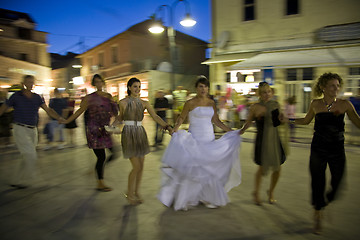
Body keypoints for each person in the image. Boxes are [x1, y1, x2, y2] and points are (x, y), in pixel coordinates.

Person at [290, 72, 360, 234]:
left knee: (337, 181)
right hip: (318, 148)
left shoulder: (345, 104)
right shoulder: (315, 104)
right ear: (323, 87)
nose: (336, 89)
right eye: (332, 86)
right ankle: (318, 214)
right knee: (318, 181)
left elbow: (358, 122)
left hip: (337, 149)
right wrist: (289, 120)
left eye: (338, 86)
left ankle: (324, 202)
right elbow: (306, 121)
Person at [158, 76, 242, 211]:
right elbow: (181, 118)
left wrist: (231, 131)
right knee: (193, 169)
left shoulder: (211, 103)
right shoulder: (190, 103)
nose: (203, 89)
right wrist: (174, 129)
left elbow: (217, 121)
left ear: (208, 88)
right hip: (195, 139)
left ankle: (207, 196)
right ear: (196, 88)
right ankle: (189, 197)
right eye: (201, 87)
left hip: (209, 139)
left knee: (209, 169)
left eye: (205, 86)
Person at [115, 77, 172, 205]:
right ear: (129, 88)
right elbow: (120, 117)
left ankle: (136, 192)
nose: (137, 89)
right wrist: (112, 126)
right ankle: (129, 194)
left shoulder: (144, 103)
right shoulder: (123, 102)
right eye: (135, 86)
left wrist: (167, 126)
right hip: (128, 133)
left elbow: (156, 116)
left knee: (141, 167)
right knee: (136, 167)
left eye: (139, 87)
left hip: (140, 133)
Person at [0, 75, 63, 189]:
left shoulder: (37, 97)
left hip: (33, 130)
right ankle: (35, 179)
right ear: (23, 83)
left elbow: (48, 109)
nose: (30, 84)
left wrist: (58, 118)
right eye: (28, 82)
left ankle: (17, 179)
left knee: (26, 155)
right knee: (30, 155)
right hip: (20, 128)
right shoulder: (16, 96)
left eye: (32, 82)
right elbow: (3, 108)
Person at [62, 74, 118, 192]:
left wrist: (118, 124)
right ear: (94, 84)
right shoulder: (89, 98)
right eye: (96, 82)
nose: (99, 84)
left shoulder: (108, 96)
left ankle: (98, 170)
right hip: (94, 130)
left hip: (105, 129)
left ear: (103, 82)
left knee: (114, 153)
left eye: (100, 81)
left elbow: (115, 112)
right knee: (101, 156)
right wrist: (67, 120)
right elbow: (79, 112)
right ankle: (100, 182)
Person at [239, 82, 286, 206]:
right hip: (262, 140)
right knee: (261, 168)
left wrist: (282, 120)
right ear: (260, 94)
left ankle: (271, 191)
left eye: (269, 91)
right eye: (264, 92)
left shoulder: (275, 105)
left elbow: (277, 123)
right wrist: (240, 131)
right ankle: (256, 192)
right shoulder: (255, 107)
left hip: (274, 140)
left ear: (272, 92)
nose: (267, 94)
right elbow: (248, 122)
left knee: (278, 168)